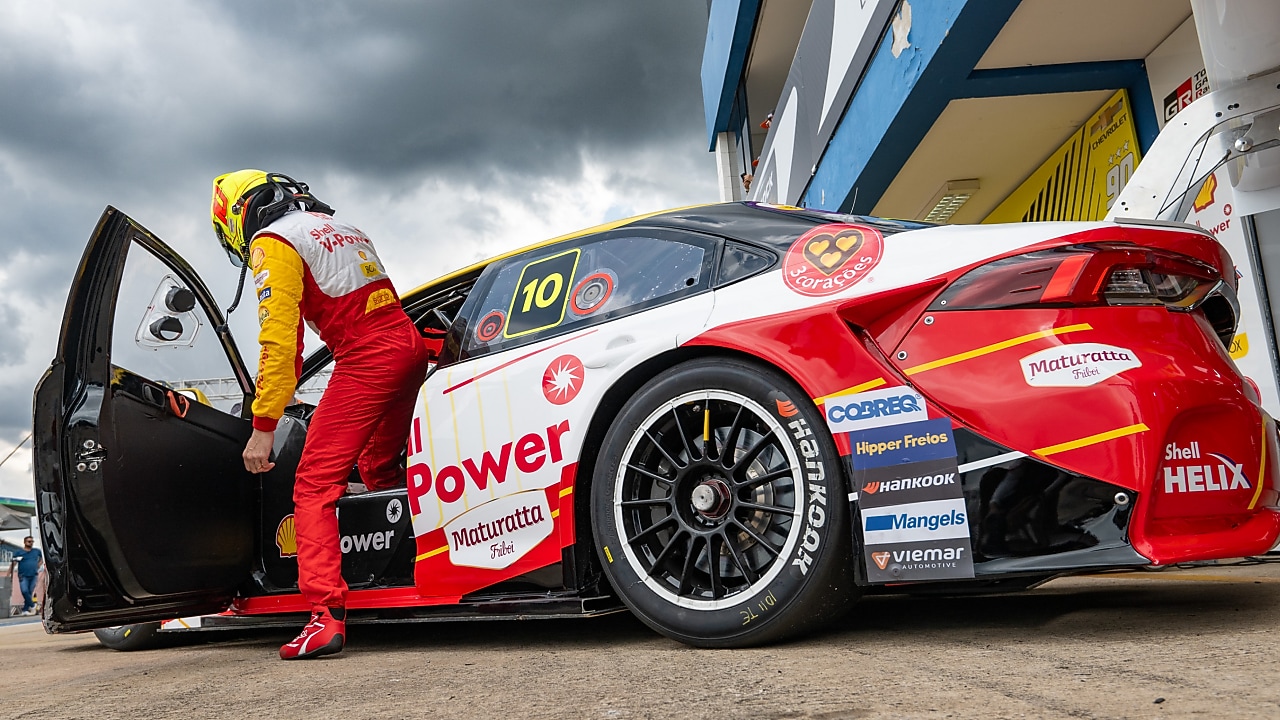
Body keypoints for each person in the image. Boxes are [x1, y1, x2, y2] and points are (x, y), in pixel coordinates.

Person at [210, 170, 431, 659]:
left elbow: (281, 339)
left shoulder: (274, 241)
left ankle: (324, 618)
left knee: (312, 488)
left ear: (241, 218)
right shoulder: (346, 228)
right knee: (380, 470)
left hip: (367, 360)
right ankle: (413, 572)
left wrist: (263, 427)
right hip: (409, 349)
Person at [9, 535, 42, 616]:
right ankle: (33, 605)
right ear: (24, 542)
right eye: (29, 541)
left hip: (34, 574)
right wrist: (9, 573)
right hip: (23, 575)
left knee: (29, 592)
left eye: (32, 541)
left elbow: (41, 558)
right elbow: (13, 563)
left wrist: (38, 565)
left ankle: (25, 609)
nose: (31, 543)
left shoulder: (36, 551)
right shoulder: (19, 552)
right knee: (24, 591)